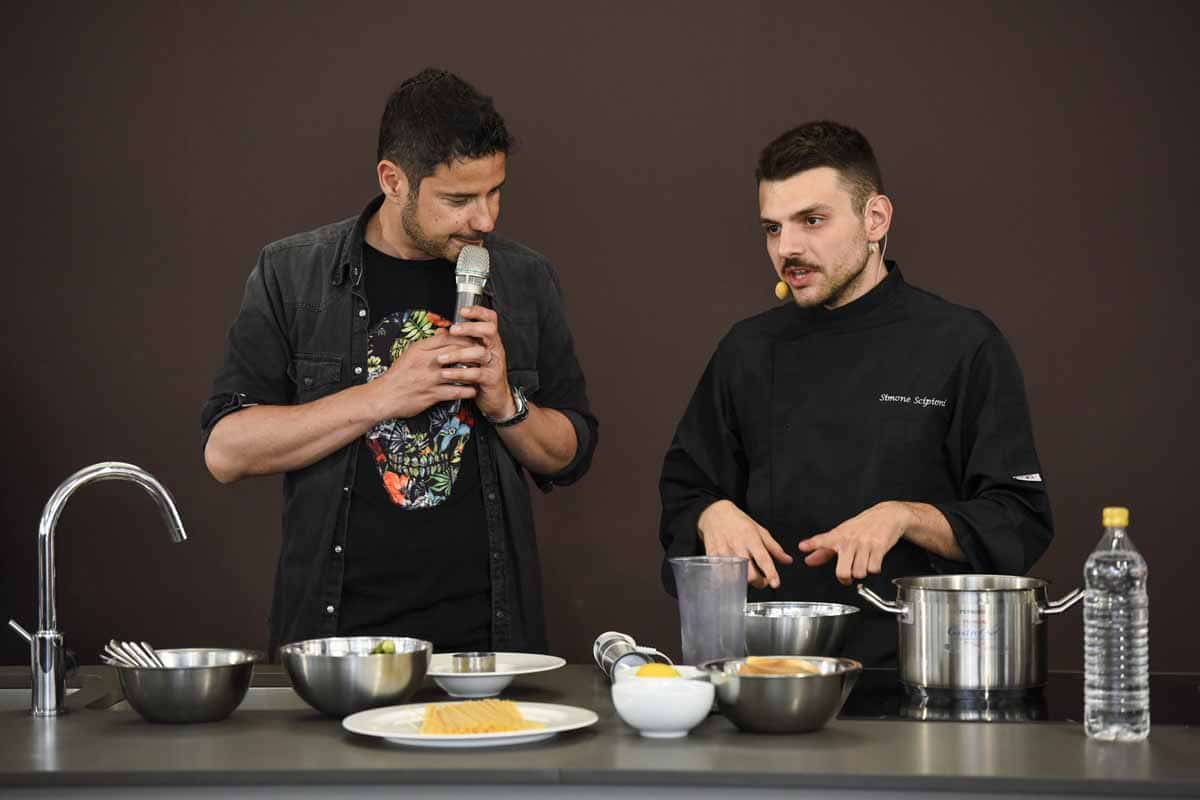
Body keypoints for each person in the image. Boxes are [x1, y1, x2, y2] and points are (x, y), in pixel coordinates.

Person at [201, 68, 597, 656]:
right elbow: (226, 452)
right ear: (393, 180)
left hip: (487, 646)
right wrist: (382, 395)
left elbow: (569, 453)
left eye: (495, 192)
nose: (485, 219)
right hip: (338, 649)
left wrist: (504, 401)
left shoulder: (524, 279)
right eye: (459, 199)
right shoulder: (292, 274)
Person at [658, 121, 1052, 666]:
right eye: (772, 229)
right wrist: (711, 513)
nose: (787, 248)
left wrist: (904, 516)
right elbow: (684, 492)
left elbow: (1018, 520)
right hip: (770, 676)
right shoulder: (748, 349)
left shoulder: (962, 344)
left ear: (875, 219)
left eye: (812, 221)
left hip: (918, 676)